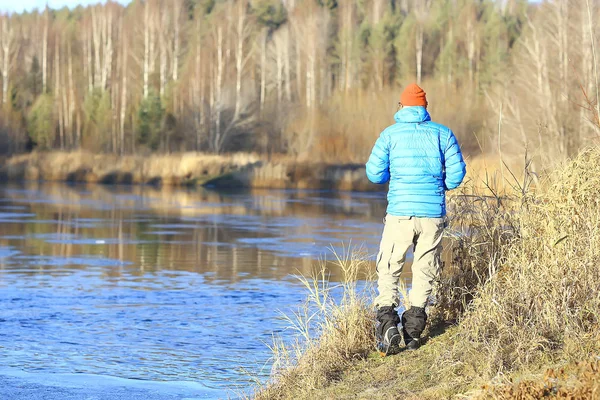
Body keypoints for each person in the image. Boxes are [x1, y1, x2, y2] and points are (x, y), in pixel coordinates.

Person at [366, 83, 466, 355]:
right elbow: (456, 176)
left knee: (390, 266)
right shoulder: (443, 134)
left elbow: (374, 174)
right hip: (432, 214)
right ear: (425, 108)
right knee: (425, 267)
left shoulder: (389, 135)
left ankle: (387, 324)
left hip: (400, 212)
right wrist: (435, 186)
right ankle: (413, 332)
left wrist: (395, 177)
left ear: (401, 107)